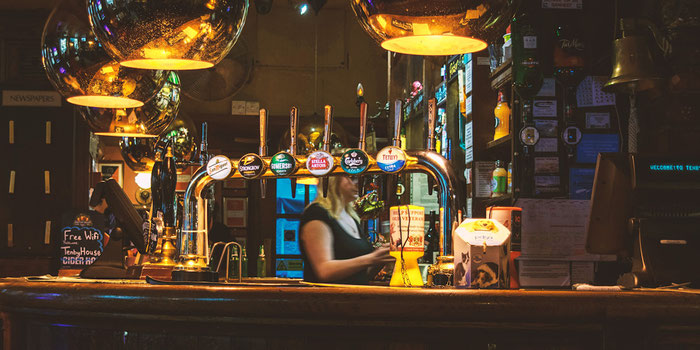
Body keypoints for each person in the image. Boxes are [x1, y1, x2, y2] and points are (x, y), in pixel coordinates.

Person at [299, 176, 393, 285]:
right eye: (351, 178)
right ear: (332, 180)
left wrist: (381, 258)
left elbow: (361, 275)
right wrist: (371, 258)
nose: (358, 182)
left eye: (359, 178)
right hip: (326, 299)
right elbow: (324, 270)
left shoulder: (351, 216)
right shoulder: (316, 213)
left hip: (354, 297)